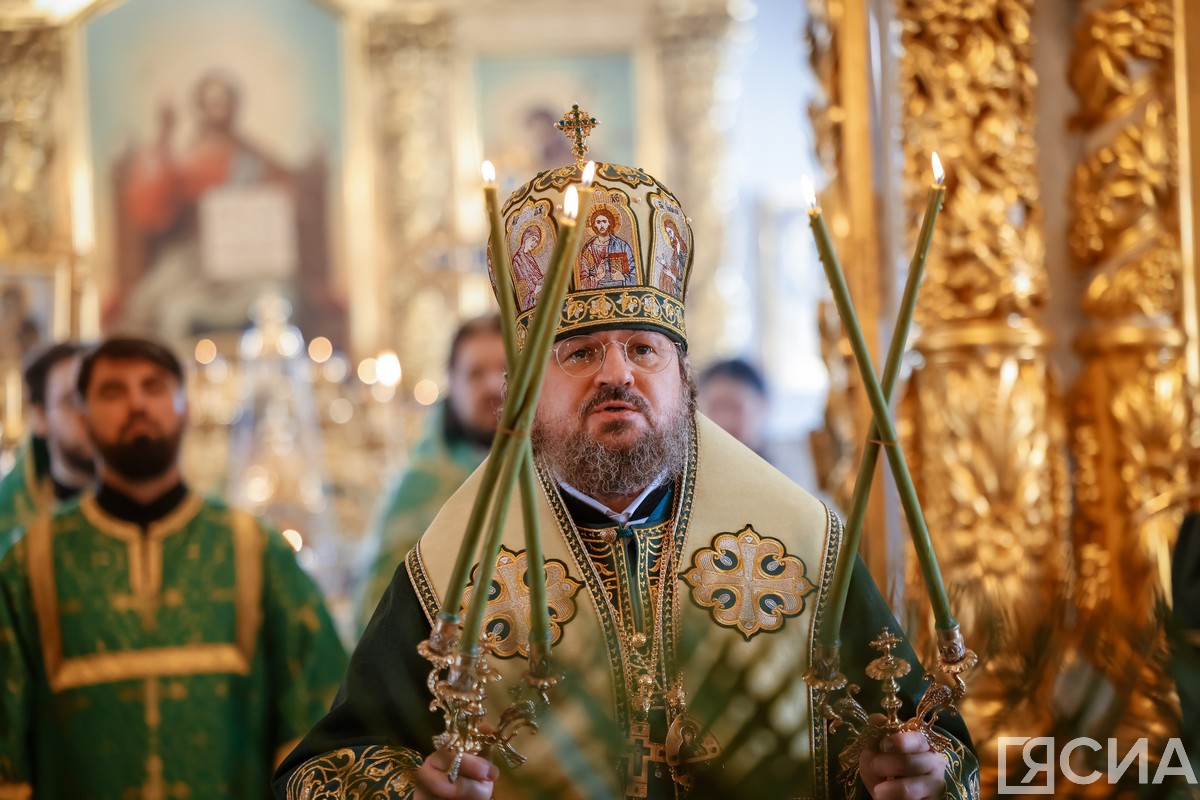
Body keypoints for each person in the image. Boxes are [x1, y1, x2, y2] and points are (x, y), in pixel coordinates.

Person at [276, 150, 978, 799]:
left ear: (683, 376)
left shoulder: (802, 541)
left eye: (643, 348)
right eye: (579, 353)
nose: (617, 373)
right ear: (524, 389)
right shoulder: (453, 567)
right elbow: (321, 774)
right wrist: (406, 790)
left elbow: (939, 747)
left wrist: (918, 776)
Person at [0, 335, 348, 798]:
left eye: (154, 387)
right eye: (112, 392)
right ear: (83, 418)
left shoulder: (254, 551)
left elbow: (318, 718)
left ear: (184, 408)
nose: (136, 404)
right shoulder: (31, 564)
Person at [352, 315, 506, 635]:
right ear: (452, 383)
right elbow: (379, 610)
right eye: (475, 373)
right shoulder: (421, 485)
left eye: (506, 370)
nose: (492, 385)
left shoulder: (558, 479)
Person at [0, 341, 94, 557]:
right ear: (41, 417)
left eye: (103, 395)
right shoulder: (11, 529)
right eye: (73, 400)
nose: (89, 413)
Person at [697, 357, 772, 461]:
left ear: (762, 406)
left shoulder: (783, 474)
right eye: (715, 407)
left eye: (734, 407)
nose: (724, 421)